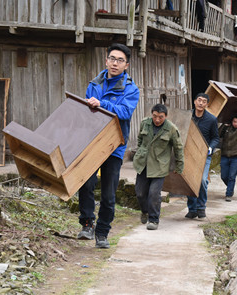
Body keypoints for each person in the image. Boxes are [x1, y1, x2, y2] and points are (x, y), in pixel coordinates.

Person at [77, 43, 140, 248]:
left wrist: (102, 104)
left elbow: (124, 112)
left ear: (126, 65)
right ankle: (87, 224)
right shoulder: (94, 84)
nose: (115, 63)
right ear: (106, 60)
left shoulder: (131, 89)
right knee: (85, 183)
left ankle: (102, 233)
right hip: (92, 141)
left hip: (114, 145)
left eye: (120, 60)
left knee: (109, 193)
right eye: (112, 58)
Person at [133, 104, 184, 230]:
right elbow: (140, 139)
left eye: (160, 117)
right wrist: (140, 151)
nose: (157, 120)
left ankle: (154, 220)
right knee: (139, 193)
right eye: (155, 116)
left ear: (165, 116)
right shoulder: (145, 123)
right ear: (152, 115)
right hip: (143, 163)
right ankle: (145, 211)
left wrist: (179, 166)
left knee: (154, 194)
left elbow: (178, 148)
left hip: (159, 165)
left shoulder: (171, 129)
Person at [185, 93, 219, 219]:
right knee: (189, 181)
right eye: (199, 100)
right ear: (194, 101)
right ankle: (192, 209)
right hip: (188, 154)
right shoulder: (187, 116)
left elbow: (216, 138)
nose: (201, 103)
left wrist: (210, 148)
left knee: (203, 180)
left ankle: (201, 207)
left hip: (204, 155)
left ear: (207, 104)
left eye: (204, 101)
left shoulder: (211, 119)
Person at [218, 97, 237, 202]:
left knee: (232, 176)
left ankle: (229, 194)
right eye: (234, 122)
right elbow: (218, 134)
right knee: (223, 176)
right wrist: (224, 125)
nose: (236, 124)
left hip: (236, 156)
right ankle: (230, 187)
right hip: (225, 156)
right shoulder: (226, 128)